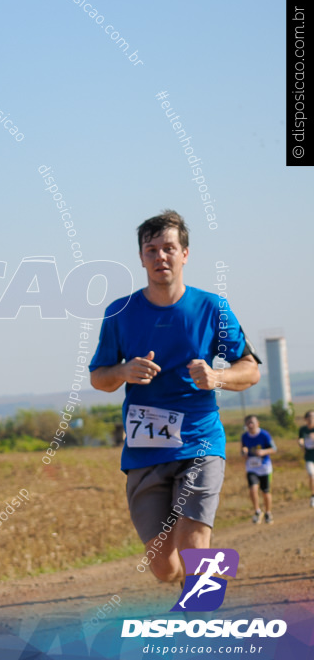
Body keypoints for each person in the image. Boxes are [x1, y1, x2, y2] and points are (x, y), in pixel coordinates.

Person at [89, 210, 260, 585]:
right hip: (145, 450)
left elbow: (250, 369)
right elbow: (98, 378)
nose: (160, 257)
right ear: (141, 257)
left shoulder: (214, 308)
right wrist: (122, 371)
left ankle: (203, 620)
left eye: (169, 248)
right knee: (164, 567)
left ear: (185, 254)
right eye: (151, 249)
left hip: (200, 440)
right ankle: (193, 582)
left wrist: (217, 377)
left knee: (194, 541)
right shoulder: (119, 312)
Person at [240, 415, 276, 523]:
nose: (250, 425)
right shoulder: (244, 436)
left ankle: (268, 513)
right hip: (251, 467)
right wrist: (244, 452)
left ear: (257, 423)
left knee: (265, 492)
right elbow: (242, 450)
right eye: (248, 423)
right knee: (253, 489)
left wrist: (264, 452)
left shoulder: (264, 434)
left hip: (264, 467)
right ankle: (257, 511)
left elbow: (274, 448)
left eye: (252, 423)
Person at [299, 410, 314, 508]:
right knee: (312, 475)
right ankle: (313, 496)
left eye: (313, 416)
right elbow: (300, 438)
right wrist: (300, 443)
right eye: (310, 416)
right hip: (309, 457)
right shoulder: (303, 429)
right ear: (306, 419)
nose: (312, 418)